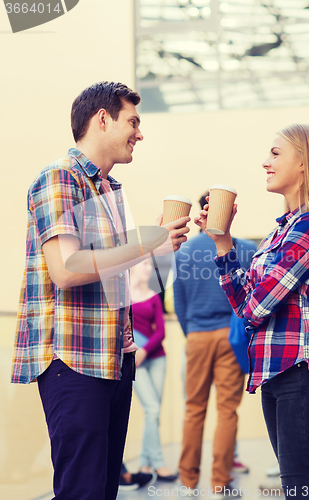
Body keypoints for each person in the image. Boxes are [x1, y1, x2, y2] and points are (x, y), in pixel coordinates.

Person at [11, 81, 190, 500]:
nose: (139, 133)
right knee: (82, 491)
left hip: (112, 358)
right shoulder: (59, 177)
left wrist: (156, 249)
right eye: (133, 121)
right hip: (73, 361)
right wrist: (148, 243)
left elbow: (109, 272)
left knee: (103, 490)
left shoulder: (108, 190)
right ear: (102, 118)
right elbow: (67, 269)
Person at [196, 124, 309, 499]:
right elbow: (243, 303)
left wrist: (249, 296)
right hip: (279, 375)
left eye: (276, 153)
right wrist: (222, 241)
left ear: (305, 162)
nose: (265, 162)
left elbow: (256, 305)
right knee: (297, 491)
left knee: (301, 494)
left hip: (302, 373)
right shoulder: (282, 230)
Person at [173, 192, 257, 497]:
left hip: (196, 336)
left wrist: (191, 333)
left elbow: (179, 302)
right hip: (231, 338)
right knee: (227, 411)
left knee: (193, 409)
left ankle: (187, 481)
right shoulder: (246, 248)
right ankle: (221, 481)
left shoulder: (184, 251)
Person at [131, 259, 177, 481]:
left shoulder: (153, 296)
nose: (149, 269)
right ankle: (158, 463)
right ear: (131, 267)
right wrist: (135, 353)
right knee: (152, 409)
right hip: (134, 362)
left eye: (150, 266)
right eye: (144, 265)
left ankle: (143, 464)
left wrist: (144, 350)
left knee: (154, 412)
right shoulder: (119, 298)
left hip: (156, 358)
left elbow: (160, 331)